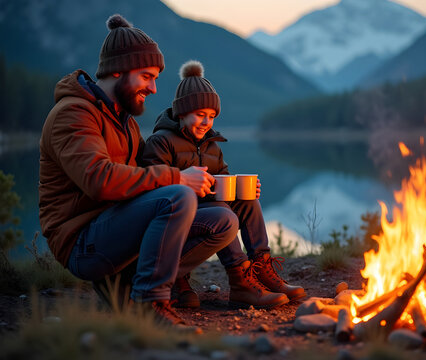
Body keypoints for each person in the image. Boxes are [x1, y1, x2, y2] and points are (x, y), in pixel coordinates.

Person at [38, 15, 239, 326]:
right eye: (147, 76)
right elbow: (100, 181)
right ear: (117, 70)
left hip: (118, 227)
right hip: (83, 243)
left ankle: (129, 286)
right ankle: (150, 303)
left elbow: (141, 184)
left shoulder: (125, 122)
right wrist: (179, 179)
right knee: (176, 197)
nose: (155, 88)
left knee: (223, 220)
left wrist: (203, 186)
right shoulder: (73, 114)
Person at [142, 60, 306, 309]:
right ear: (182, 113)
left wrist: (241, 189)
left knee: (247, 199)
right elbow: (154, 186)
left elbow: (223, 177)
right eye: (200, 115)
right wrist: (184, 179)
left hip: (206, 210)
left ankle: (261, 269)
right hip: (175, 216)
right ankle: (236, 280)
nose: (206, 122)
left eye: (211, 117)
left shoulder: (211, 145)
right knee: (222, 209)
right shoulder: (160, 142)